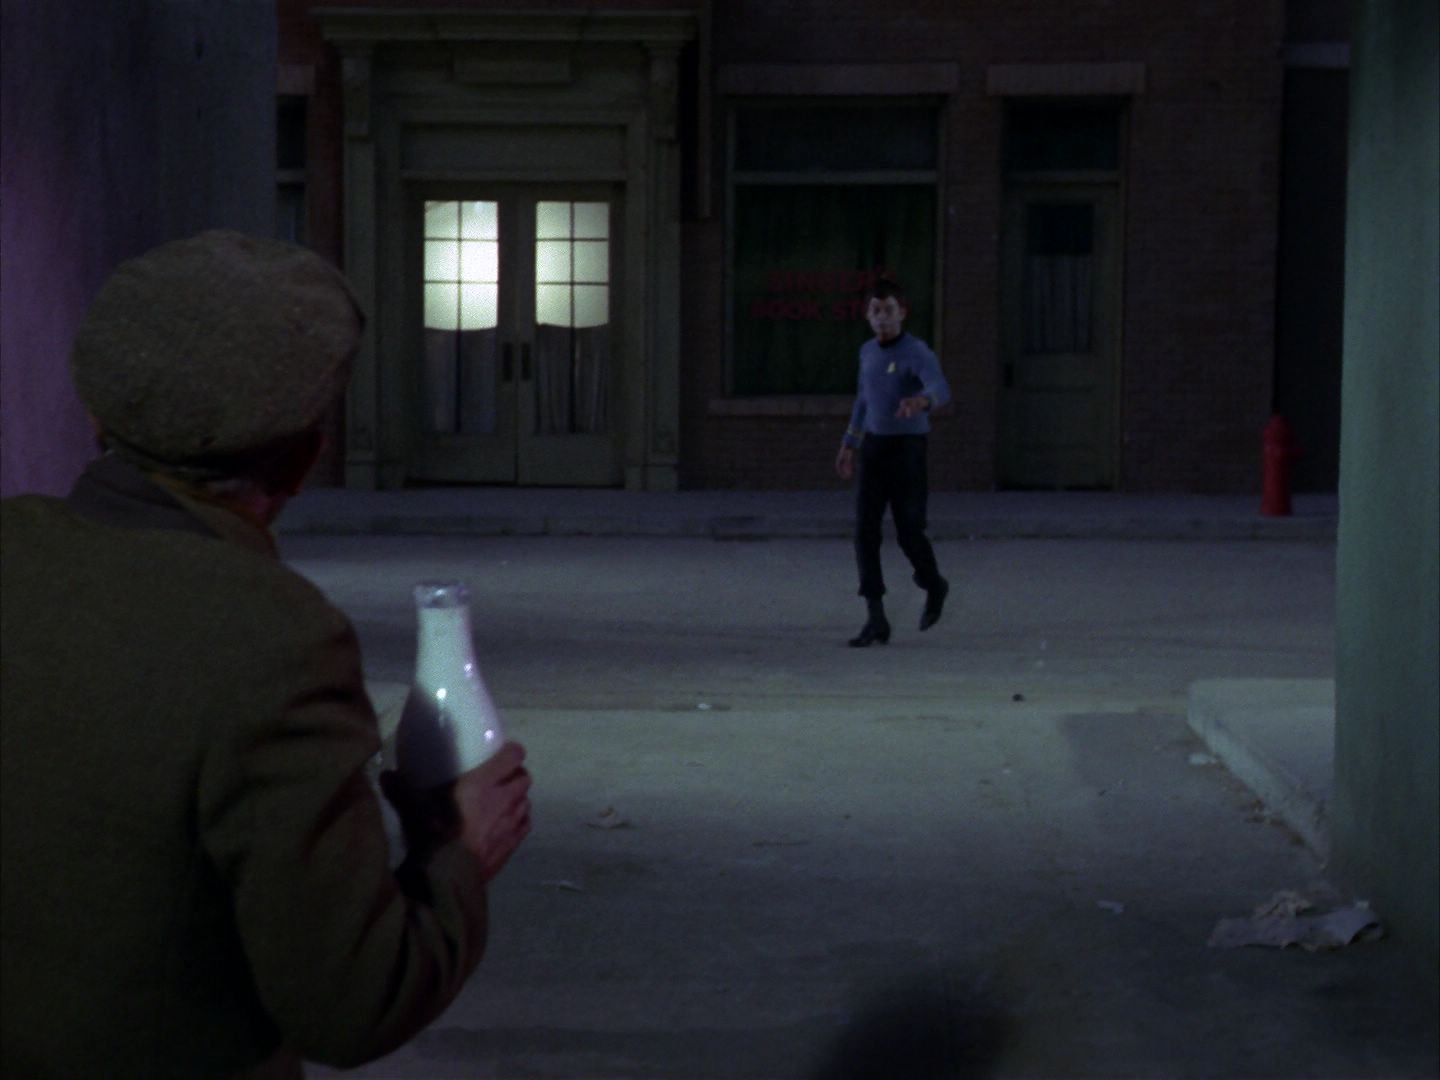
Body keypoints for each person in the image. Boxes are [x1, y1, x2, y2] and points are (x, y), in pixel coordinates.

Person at [0, 231, 532, 1079]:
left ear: (97, 416)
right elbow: (353, 1002)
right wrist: (462, 852)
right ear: (305, 458)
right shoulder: (272, 639)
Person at [834, 277, 951, 647]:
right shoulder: (867, 352)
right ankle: (875, 617)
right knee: (865, 532)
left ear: (902, 313)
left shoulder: (916, 352)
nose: (881, 317)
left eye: (888, 310)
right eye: (875, 311)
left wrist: (922, 401)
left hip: (907, 450)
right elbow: (863, 401)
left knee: (909, 531)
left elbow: (940, 388)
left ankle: (933, 583)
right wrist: (849, 443)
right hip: (874, 449)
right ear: (867, 316)